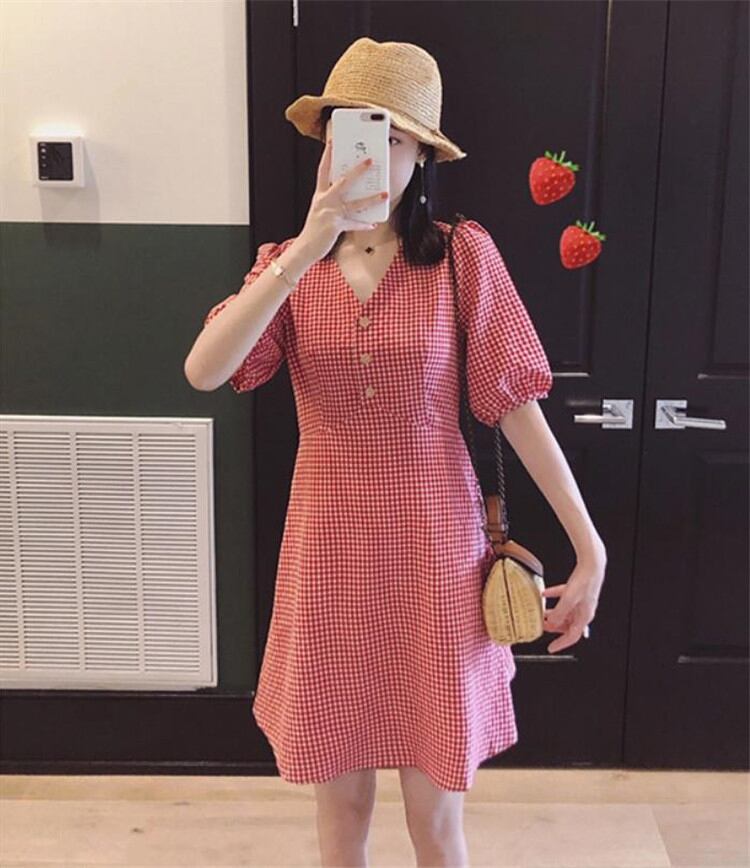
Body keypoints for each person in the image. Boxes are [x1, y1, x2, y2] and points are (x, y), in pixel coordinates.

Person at [185, 37, 606, 868]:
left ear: (421, 158)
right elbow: (206, 370)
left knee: (436, 822)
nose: (370, 154)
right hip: (328, 556)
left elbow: (515, 405)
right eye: (348, 132)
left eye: (392, 137)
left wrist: (588, 547)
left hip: (436, 554)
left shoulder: (461, 256)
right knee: (340, 821)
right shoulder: (286, 267)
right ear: (325, 146)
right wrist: (307, 245)